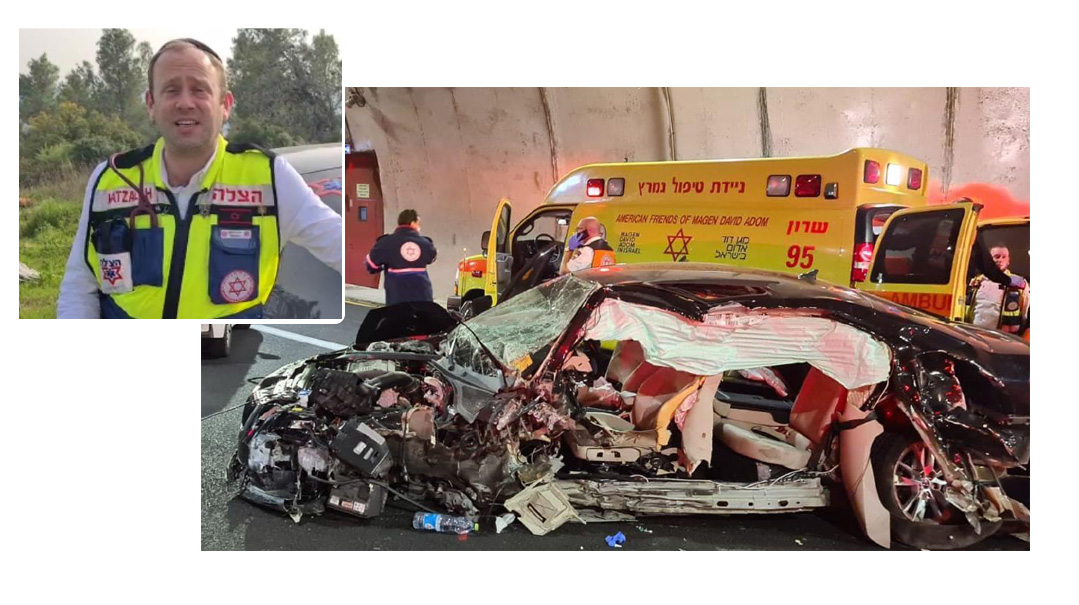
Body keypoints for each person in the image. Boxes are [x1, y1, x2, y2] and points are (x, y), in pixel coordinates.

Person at [57, 38, 342, 319]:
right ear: (151, 103)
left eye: (199, 89)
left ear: (225, 104)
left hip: (221, 348)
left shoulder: (270, 178)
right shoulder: (111, 178)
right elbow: (81, 284)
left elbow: (344, 250)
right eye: (171, 90)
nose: (185, 103)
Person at [366, 209, 438, 305]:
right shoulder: (425, 243)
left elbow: (371, 265)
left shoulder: (386, 242)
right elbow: (432, 257)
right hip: (422, 297)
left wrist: (383, 266)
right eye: (418, 223)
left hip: (397, 298)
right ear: (412, 223)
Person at [970, 242, 1029, 331]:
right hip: (975, 333)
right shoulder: (976, 282)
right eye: (997, 257)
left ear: (1008, 261)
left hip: (1003, 336)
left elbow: (1027, 313)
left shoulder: (1019, 283)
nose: (1000, 260)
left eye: (1004, 257)